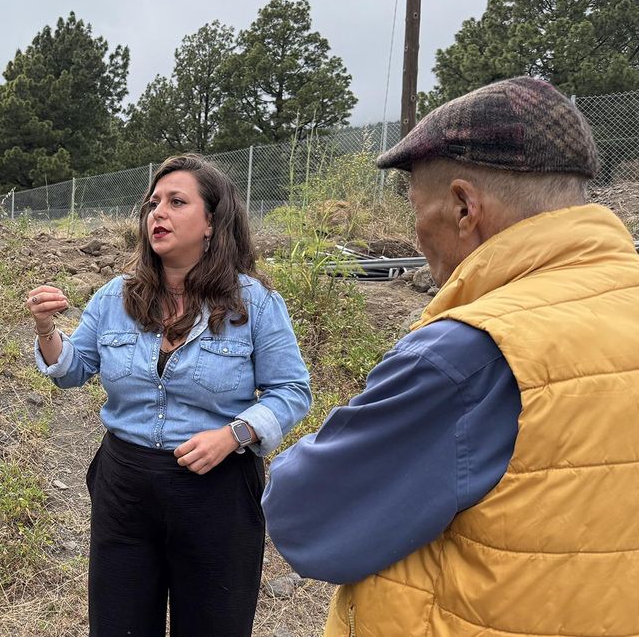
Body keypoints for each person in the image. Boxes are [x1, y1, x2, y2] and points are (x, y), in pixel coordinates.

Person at [263, 77, 639, 636]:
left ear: (465, 206)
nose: (416, 234)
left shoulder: (470, 353)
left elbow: (306, 517)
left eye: (418, 208)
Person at [27, 154, 311, 636]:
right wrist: (46, 329)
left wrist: (235, 434)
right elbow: (72, 371)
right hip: (125, 488)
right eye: (153, 203)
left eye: (177, 202)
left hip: (216, 490)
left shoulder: (254, 303)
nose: (158, 212)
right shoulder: (115, 297)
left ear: (211, 223)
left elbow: (291, 390)